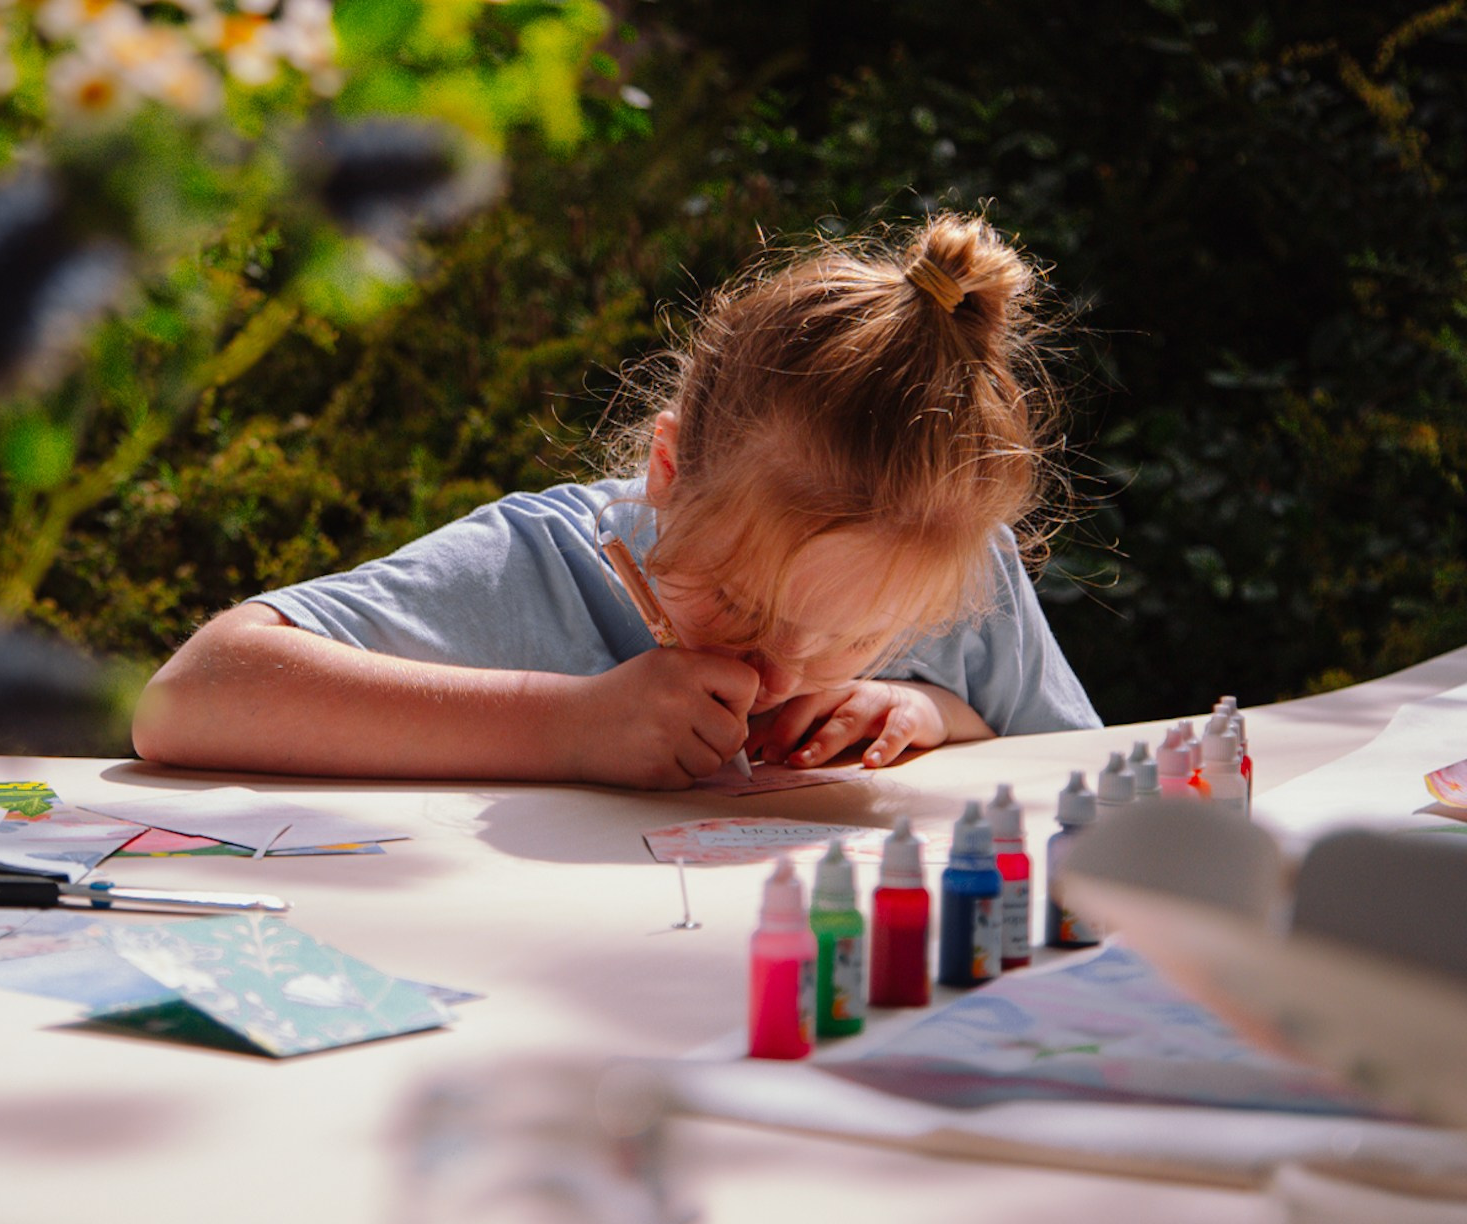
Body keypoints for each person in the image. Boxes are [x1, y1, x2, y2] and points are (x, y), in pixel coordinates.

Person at [131, 212, 1101, 790]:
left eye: (854, 640)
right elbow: (188, 701)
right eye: (745, 608)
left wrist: (931, 716)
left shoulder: (955, 565)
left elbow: (1078, 776)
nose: (781, 678)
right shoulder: (539, 563)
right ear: (668, 471)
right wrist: (567, 725)